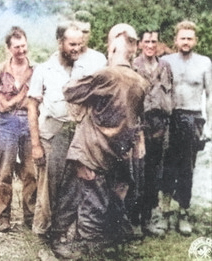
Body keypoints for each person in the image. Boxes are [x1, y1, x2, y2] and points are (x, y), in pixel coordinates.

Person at [50, 23, 149, 258]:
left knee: (89, 208)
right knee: (105, 204)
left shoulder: (105, 75)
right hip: (116, 154)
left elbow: (70, 91)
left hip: (92, 152)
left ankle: (83, 249)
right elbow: (136, 120)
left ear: (114, 45)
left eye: (110, 40)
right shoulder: (140, 81)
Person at [27, 18, 107, 240]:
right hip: (52, 133)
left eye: (80, 44)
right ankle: (43, 232)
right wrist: (35, 146)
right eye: (72, 45)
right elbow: (32, 108)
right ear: (60, 42)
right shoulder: (44, 69)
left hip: (79, 132)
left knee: (73, 186)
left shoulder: (86, 67)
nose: (77, 49)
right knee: (48, 188)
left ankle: (62, 231)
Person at [160, 20, 212, 236]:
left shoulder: (204, 63)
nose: (186, 42)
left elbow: (210, 96)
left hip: (192, 118)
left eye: (190, 38)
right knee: (166, 166)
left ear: (195, 40)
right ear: (176, 40)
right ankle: (163, 213)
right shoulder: (165, 61)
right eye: (182, 38)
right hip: (170, 118)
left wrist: (209, 125)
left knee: (186, 169)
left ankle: (183, 212)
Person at [129, 29, 173, 237]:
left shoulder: (165, 66)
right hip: (140, 124)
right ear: (140, 44)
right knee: (138, 173)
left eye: (154, 41)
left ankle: (147, 219)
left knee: (154, 174)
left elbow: (170, 94)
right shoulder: (133, 66)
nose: (150, 45)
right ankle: (134, 220)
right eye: (146, 41)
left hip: (160, 125)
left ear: (158, 43)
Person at [0, 26, 37, 232]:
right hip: (7, 123)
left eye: (23, 46)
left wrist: (13, 102)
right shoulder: (0, 70)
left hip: (29, 122)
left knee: (31, 172)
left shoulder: (36, 69)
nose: (21, 50)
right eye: (16, 47)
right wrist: (13, 103)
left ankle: (31, 216)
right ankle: (3, 217)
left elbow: (37, 100)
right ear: (9, 48)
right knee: (4, 172)